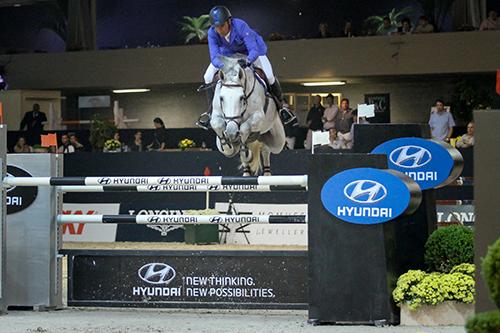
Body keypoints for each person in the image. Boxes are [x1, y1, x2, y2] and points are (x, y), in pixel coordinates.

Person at [196, 6, 295, 129]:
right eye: (216, 27)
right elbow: (214, 56)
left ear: (229, 21)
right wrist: (226, 66)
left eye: (222, 26)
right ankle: (211, 112)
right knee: (208, 76)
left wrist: (248, 62)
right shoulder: (212, 33)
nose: (219, 30)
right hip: (228, 55)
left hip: (250, 53)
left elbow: (253, 49)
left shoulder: (240, 26)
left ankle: (282, 108)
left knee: (269, 75)